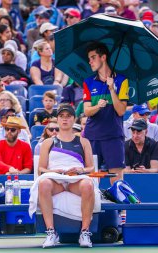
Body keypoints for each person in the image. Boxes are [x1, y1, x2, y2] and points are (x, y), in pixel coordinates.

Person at [31, 103, 97, 248]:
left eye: (68, 116)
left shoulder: (83, 142)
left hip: (76, 181)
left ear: (74, 119)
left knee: (87, 184)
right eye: (61, 116)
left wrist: (81, 170)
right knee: (43, 183)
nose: (65, 119)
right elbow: (41, 169)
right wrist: (55, 172)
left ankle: (84, 232)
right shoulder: (48, 143)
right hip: (56, 181)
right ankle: (51, 232)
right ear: (57, 119)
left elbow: (91, 167)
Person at [83, 42, 128, 184]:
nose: (90, 61)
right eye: (89, 58)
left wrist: (112, 89)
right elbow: (87, 111)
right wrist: (98, 106)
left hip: (113, 136)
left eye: (93, 57)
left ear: (103, 57)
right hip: (93, 136)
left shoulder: (122, 80)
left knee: (117, 180)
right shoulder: (88, 82)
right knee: (91, 179)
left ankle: (120, 207)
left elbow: (121, 111)